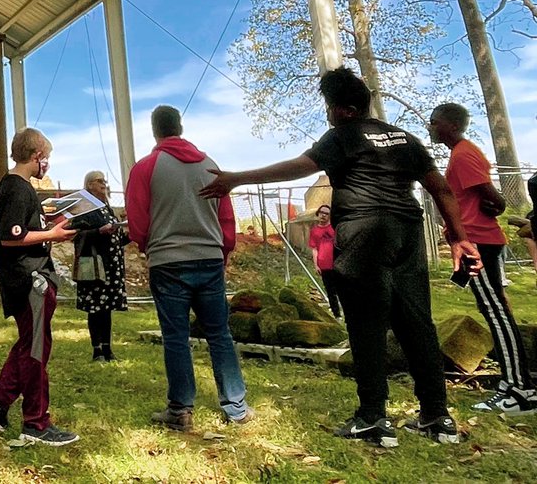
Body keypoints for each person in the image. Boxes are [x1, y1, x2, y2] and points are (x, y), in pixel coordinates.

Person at [202, 68, 481, 448]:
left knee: (366, 326)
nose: (328, 114)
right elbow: (441, 189)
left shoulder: (342, 136)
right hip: (408, 234)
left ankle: (372, 419)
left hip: (364, 234)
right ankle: (437, 417)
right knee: (418, 324)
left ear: (345, 110)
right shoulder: (406, 138)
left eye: (330, 108)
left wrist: (237, 178)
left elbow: (297, 167)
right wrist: (460, 238)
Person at [125, 106, 251, 432]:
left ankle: (180, 409)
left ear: (154, 131)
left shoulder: (146, 168)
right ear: (180, 127)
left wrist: (147, 247)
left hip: (168, 262)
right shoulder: (211, 166)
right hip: (209, 259)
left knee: (176, 337)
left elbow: (138, 222)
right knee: (219, 334)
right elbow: (226, 218)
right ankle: (236, 407)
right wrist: (222, 252)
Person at [0, 127, 79, 447]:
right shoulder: (18, 188)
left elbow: (24, 226)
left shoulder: (15, 188)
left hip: (29, 279)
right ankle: (36, 422)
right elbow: (11, 237)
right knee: (35, 352)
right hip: (29, 280)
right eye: (45, 158)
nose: (46, 164)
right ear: (36, 157)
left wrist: (51, 223)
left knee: (30, 344)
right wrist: (54, 236)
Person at [428, 103, 535, 413]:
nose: (431, 127)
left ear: (450, 125)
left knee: (495, 310)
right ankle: (517, 385)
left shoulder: (463, 155)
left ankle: (519, 389)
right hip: (474, 241)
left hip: (478, 243)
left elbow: (495, 197)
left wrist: (496, 207)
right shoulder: (459, 154)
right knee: (493, 308)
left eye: (434, 123)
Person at [72, 170, 127, 362]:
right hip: (94, 265)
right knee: (95, 307)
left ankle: (108, 349)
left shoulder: (108, 208)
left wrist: (129, 234)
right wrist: (99, 231)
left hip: (112, 265)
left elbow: (116, 238)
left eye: (105, 180)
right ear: (89, 185)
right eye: (99, 180)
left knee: (107, 307)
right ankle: (97, 350)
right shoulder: (84, 206)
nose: (104, 183)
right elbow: (77, 234)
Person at [308, 205, 341, 319]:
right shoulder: (314, 231)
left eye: (326, 213)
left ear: (329, 216)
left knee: (342, 290)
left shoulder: (334, 228)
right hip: (324, 265)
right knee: (330, 291)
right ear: (318, 213)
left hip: (337, 264)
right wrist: (316, 264)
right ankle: (337, 315)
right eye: (321, 212)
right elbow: (314, 249)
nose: (323, 215)